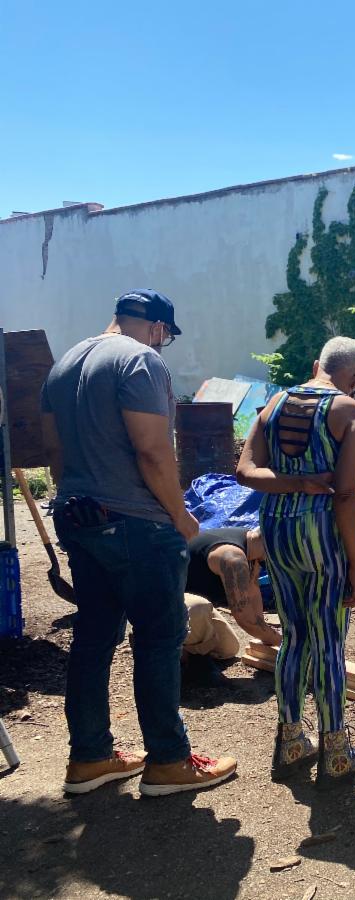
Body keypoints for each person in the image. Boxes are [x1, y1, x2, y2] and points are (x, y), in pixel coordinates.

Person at [41, 289, 237, 796]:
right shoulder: (139, 359)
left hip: (78, 515)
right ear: (155, 327)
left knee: (93, 637)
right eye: (166, 336)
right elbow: (153, 452)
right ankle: (169, 761)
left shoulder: (64, 364)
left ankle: (90, 756)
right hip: (135, 522)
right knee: (157, 639)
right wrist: (180, 516)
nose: (163, 344)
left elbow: (54, 454)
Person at [236, 336, 355, 786]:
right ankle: (336, 750)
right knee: (330, 640)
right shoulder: (352, 413)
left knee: (295, 635)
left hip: (276, 529)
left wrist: (295, 481)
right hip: (322, 538)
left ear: (318, 364)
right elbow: (346, 493)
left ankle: (292, 740)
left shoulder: (275, 402)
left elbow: (245, 473)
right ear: (354, 378)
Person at [185, 526, 280, 648]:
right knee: (198, 607)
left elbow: (253, 590)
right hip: (165, 605)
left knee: (228, 648)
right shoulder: (234, 559)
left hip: (184, 605)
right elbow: (245, 619)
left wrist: (263, 628)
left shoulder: (251, 547)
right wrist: (281, 642)